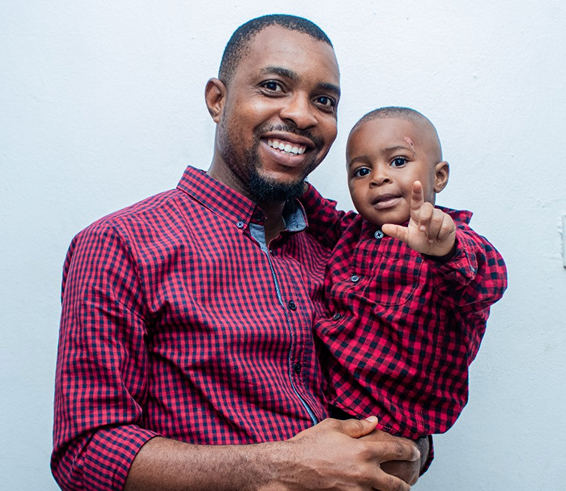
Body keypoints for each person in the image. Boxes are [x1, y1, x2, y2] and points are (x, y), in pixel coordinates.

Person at [51, 16, 428, 491]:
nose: (302, 115)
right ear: (217, 99)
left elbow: (399, 379)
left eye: (324, 101)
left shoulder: (344, 251)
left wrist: (412, 450)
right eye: (273, 86)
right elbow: (85, 454)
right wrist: (280, 467)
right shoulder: (119, 244)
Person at [305, 107, 507, 441]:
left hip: (393, 421)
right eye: (361, 171)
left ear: (438, 177)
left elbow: (489, 280)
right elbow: (315, 209)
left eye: (398, 161)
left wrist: (446, 250)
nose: (378, 177)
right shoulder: (350, 232)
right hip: (325, 407)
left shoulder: (447, 240)